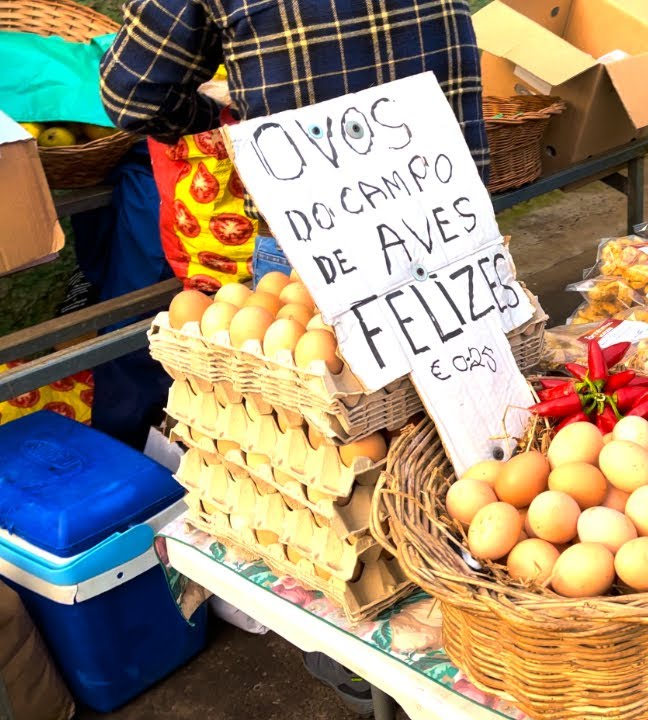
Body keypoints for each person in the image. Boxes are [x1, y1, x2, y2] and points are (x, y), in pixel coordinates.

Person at [101, 0, 489, 714]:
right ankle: (474, 620)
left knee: (335, 474)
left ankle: (370, 659)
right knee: (459, 436)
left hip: (319, 216)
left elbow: (132, 92)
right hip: (443, 207)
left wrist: (220, 112)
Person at [100, 0, 490, 288]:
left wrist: (215, 115)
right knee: (474, 372)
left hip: (317, 242)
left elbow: (133, 98)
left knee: (317, 374)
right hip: (454, 218)